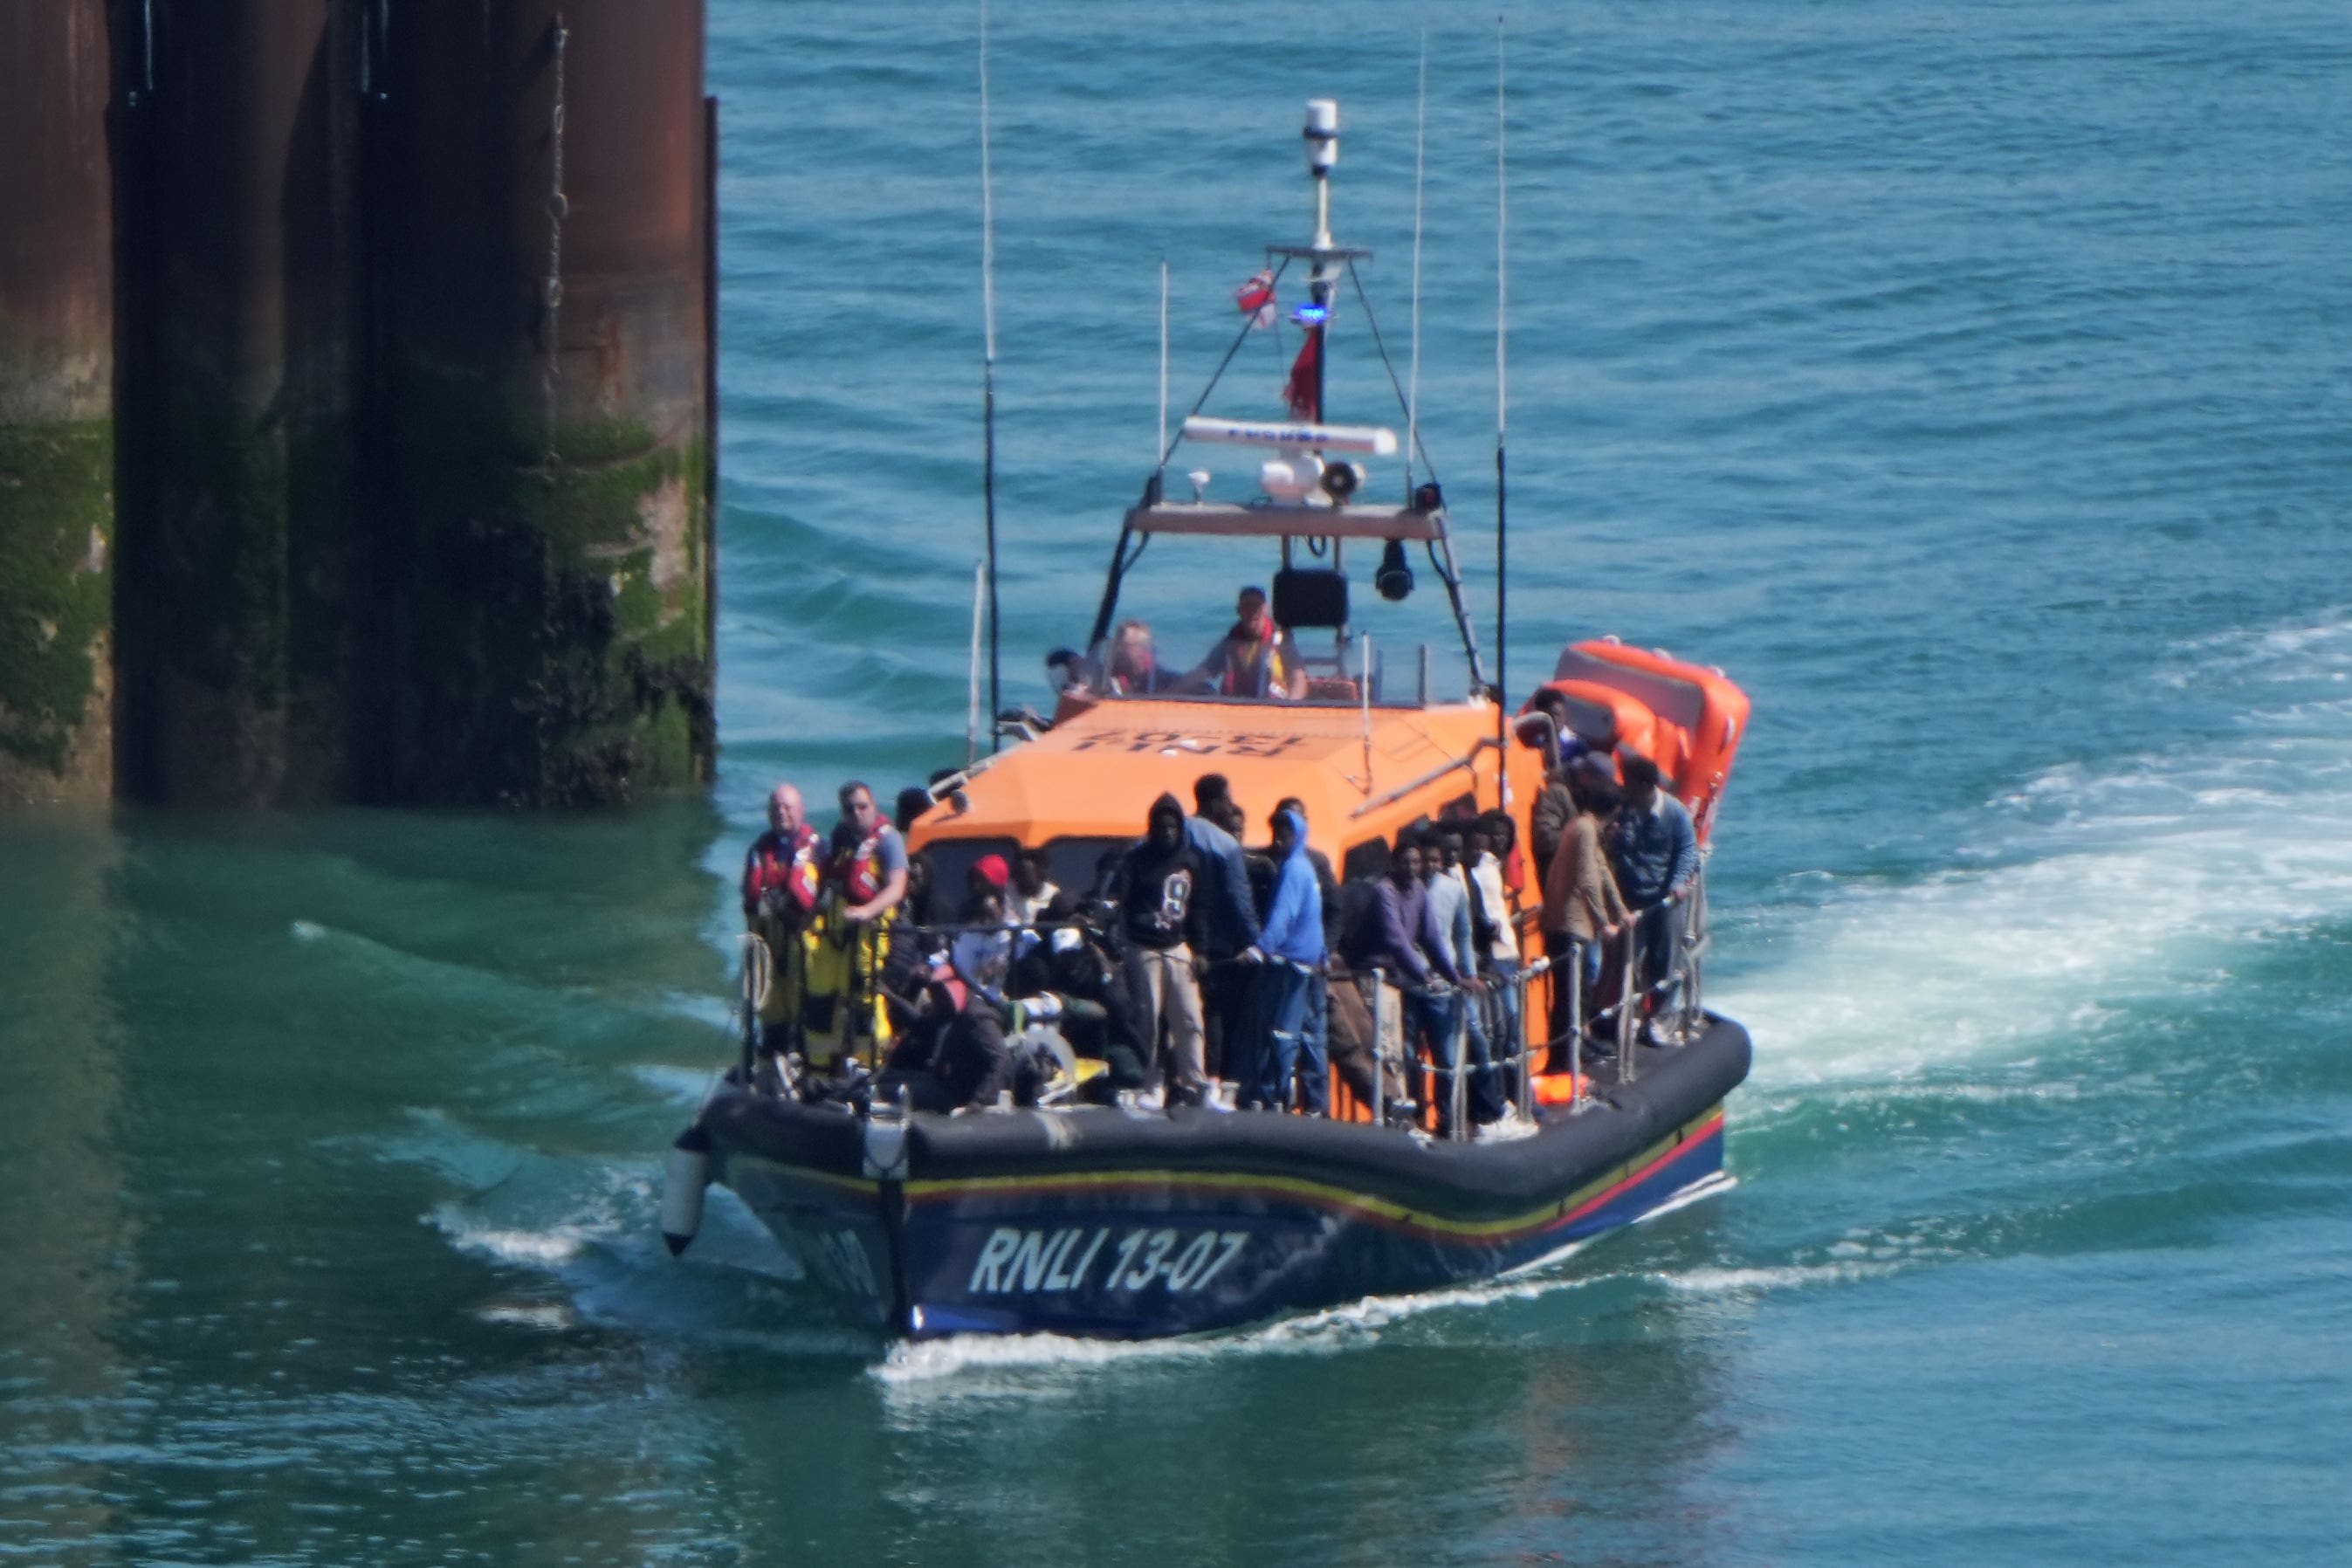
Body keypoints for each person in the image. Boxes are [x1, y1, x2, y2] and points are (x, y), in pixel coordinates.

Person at [802, 781, 911, 1069]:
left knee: (866, 1002)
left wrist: (867, 911)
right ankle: (820, 1068)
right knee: (820, 995)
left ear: (873, 806)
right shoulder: (841, 836)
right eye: (849, 809)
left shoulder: (888, 840)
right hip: (836, 932)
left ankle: (869, 1069)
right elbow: (829, 881)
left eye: (862, 806)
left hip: (869, 935)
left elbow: (896, 887)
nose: (856, 813)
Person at [1117, 793, 1213, 1107]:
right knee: (1149, 1021)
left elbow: (1199, 908)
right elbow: (1123, 901)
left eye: (1173, 826)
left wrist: (1200, 950)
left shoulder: (1191, 860)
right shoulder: (1136, 860)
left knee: (1189, 1017)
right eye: (1162, 826)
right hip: (1144, 949)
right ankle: (1152, 1083)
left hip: (1177, 946)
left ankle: (1194, 1081)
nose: (1167, 832)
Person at [1601, 751, 1701, 1046]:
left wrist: (1678, 883)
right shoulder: (1624, 810)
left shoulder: (1675, 813)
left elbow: (1687, 850)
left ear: (1646, 785)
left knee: (1664, 958)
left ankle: (1661, 1017)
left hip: (1664, 899)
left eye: (1629, 782)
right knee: (1627, 959)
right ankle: (1626, 1015)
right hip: (1631, 898)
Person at [1541, 763, 1630, 1064]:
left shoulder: (1584, 827)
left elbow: (1602, 869)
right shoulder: (1585, 829)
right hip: (1569, 924)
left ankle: (1580, 1041)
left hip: (1576, 924)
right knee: (1570, 993)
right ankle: (1566, 1052)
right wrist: (1604, 923)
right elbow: (1588, 877)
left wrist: (1621, 911)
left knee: (1579, 991)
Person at [1426, 827, 1513, 1131]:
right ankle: (1448, 1121)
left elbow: (1465, 934)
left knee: (1480, 1038)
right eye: (1443, 852)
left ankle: (1488, 1112)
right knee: (1442, 1056)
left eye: (1454, 850)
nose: (1450, 856)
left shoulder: (1461, 884)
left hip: (1460, 980)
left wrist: (1472, 973)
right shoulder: (1425, 888)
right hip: (1432, 982)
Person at [1242, 808, 1326, 1113]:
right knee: (1311, 1039)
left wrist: (1259, 949)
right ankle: (1316, 1106)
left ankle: (1273, 1099)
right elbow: (1314, 919)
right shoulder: (1307, 868)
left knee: (1280, 1035)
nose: (1278, 840)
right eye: (1275, 833)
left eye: (1285, 833)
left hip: (1287, 966)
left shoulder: (1292, 869)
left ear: (1298, 834)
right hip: (1309, 966)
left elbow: (1284, 916)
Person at [1186, 774, 1265, 1089]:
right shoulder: (1225, 845)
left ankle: (1177, 1078)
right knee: (1216, 1012)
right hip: (1218, 945)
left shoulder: (1180, 831)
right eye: (1227, 799)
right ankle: (1215, 1079)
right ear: (1215, 802)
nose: (1230, 805)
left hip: (1178, 940)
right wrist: (1258, 943)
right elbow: (1239, 900)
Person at [740, 783, 825, 1063]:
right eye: (776, 808)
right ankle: (769, 1064)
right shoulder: (759, 850)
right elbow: (750, 899)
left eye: (787, 807)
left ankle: (809, 1065)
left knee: (806, 1005)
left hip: (804, 940)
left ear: (800, 810)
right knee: (771, 1010)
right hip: (769, 943)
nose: (781, 813)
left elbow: (821, 896)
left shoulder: (816, 847)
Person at [1470, 811, 1525, 1100]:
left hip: (1509, 951)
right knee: (1504, 1029)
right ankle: (1510, 1096)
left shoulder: (1493, 865)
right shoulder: (1478, 870)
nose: (1500, 839)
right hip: (1495, 955)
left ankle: (1517, 1093)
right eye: (1494, 834)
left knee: (1513, 1028)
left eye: (1505, 834)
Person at [1180, 586, 1305, 699]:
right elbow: (1202, 672)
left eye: (1256, 606)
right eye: (1247, 606)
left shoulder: (1281, 640)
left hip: (1273, 709)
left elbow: (1298, 679)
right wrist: (1169, 694)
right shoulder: (1230, 642)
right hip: (1237, 710)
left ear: (1265, 609)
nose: (1252, 611)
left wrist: (1289, 708)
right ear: (1239, 610)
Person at [1105, 619, 1177, 695]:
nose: (1120, 650)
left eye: (1126, 645)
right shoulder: (1107, 676)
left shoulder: (1166, 681)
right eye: (1118, 645)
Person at [1009, 847, 1059, 928]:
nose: (1021, 879)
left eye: (1025, 874)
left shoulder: (1053, 895)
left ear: (1038, 873)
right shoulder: (1008, 891)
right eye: (1018, 874)